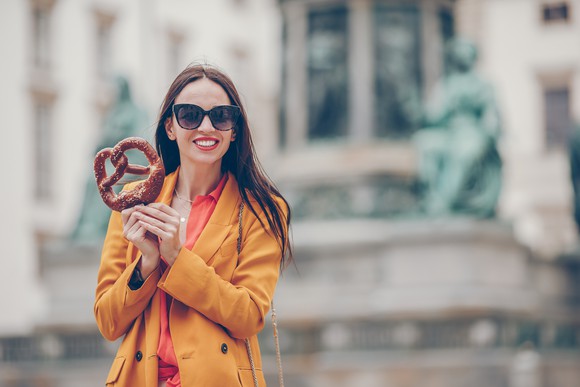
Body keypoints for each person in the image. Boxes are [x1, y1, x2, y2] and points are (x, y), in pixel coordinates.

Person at [94, 64, 292, 387]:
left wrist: (177, 259)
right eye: (190, 115)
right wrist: (146, 265)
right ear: (170, 126)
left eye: (221, 116)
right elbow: (107, 321)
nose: (206, 127)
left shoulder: (261, 211)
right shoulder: (134, 200)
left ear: (234, 130)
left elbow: (249, 314)